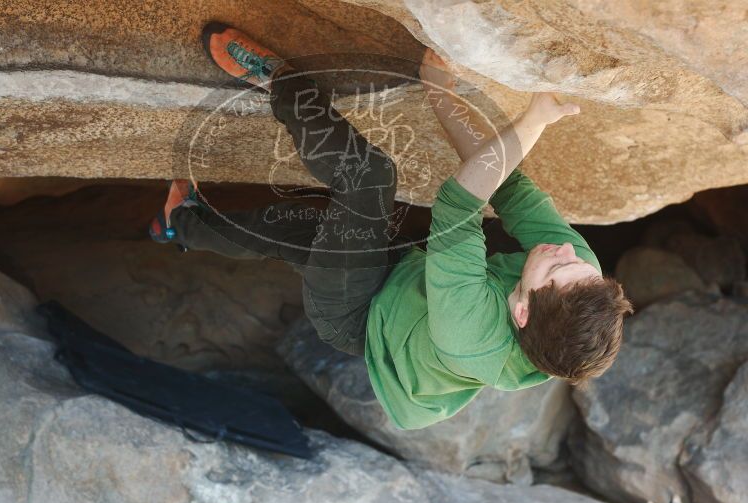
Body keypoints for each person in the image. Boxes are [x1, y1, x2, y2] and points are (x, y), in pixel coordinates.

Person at [150, 24, 633, 430]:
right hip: (410, 280)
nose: (564, 252)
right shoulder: (577, 279)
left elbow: (458, 202)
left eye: (556, 270)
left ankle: (281, 80)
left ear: (523, 313)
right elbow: (509, 188)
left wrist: (534, 122)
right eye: (580, 265)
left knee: (368, 178)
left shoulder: (473, 334)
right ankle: (178, 224)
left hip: (358, 314)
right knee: (302, 236)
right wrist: (439, 88)